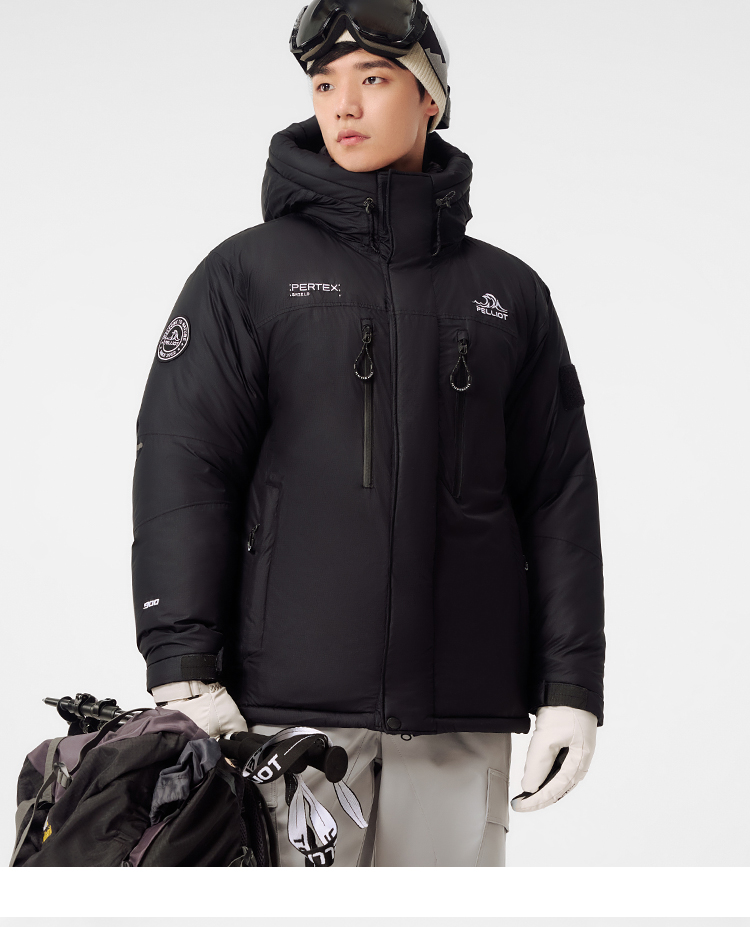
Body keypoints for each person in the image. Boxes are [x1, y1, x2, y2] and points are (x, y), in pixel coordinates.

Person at [132, 0, 605, 867]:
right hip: (285, 722)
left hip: (461, 716)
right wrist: (183, 669)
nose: (343, 105)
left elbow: (558, 498)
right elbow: (184, 466)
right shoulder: (247, 274)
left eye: (374, 79)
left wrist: (571, 685)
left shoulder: (510, 294)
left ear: (431, 98)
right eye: (324, 84)